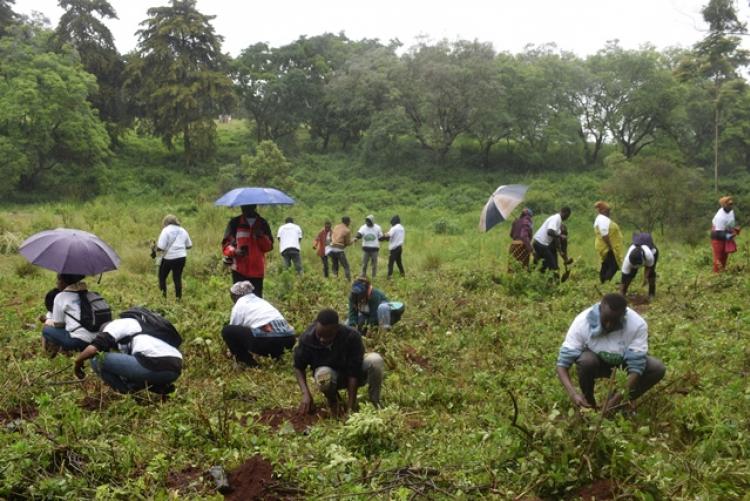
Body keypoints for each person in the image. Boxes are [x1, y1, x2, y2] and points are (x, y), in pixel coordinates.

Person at [556, 293, 665, 413]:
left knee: (656, 368)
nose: (609, 325)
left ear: (624, 315)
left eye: (614, 321)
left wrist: (615, 401)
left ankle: (619, 404)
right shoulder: (582, 322)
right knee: (586, 360)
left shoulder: (637, 325)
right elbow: (562, 364)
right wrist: (573, 394)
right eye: (605, 319)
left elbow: (636, 368)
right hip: (596, 364)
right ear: (600, 309)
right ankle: (588, 403)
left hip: (624, 365)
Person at [294, 308, 385, 416]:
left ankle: (374, 403)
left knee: (375, 360)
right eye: (320, 335)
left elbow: (354, 372)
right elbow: (298, 367)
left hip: (354, 373)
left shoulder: (351, 336)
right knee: (323, 375)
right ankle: (334, 401)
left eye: (327, 336)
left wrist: (351, 408)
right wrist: (306, 394)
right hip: (330, 377)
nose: (322, 339)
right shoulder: (307, 338)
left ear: (336, 329)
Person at [74, 317, 182, 397]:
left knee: (97, 359)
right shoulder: (137, 329)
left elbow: (93, 349)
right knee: (127, 374)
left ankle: (128, 395)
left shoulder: (115, 326)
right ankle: (159, 386)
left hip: (153, 363)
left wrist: (78, 362)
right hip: (175, 368)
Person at [221, 281, 295, 368]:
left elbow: (234, 331)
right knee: (267, 329)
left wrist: (232, 351)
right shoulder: (261, 301)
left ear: (236, 296)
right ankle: (278, 357)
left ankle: (248, 363)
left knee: (227, 331)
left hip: (270, 342)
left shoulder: (240, 304)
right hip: (290, 339)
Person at [222, 204, 273, 297]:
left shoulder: (262, 223)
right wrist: (235, 251)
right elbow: (226, 245)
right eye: (243, 206)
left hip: (257, 270)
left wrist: (260, 236)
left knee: (256, 299)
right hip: (239, 269)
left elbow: (269, 247)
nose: (244, 209)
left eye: (247, 206)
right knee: (240, 299)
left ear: (254, 206)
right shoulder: (235, 223)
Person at [41, 274, 98, 357]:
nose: (57, 283)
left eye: (58, 280)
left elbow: (58, 325)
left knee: (46, 329)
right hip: (99, 340)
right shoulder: (92, 294)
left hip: (79, 341)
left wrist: (47, 320)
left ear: (63, 282)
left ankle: (48, 355)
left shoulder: (61, 297)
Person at [155, 214, 192, 299]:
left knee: (162, 277)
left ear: (166, 222)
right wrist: (180, 247)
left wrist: (155, 249)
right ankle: (178, 299)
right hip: (181, 257)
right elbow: (189, 245)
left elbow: (161, 247)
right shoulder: (183, 230)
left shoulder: (166, 230)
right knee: (177, 278)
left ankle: (163, 298)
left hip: (169, 258)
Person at [532, 207, 572, 275]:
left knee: (541, 266)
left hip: (539, 243)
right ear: (564, 212)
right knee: (554, 267)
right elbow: (549, 232)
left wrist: (562, 254)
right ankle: (554, 283)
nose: (567, 218)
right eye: (567, 216)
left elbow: (557, 240)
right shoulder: (556, 219)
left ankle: (535, 280)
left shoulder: (558, 221)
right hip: (541, 244)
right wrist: (560, 236)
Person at [593, 201, 624, 283]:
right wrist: (611, 246)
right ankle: (606, 282)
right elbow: (604, 235)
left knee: (606, 264)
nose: (609, 212)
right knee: (614, 265)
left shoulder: (601, 219)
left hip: (604, 246)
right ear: (602, 211)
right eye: (607, 210)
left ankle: (603, 281)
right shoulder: (602, 219)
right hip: (607, 247)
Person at [620, 232, 658, 299]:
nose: (637, 267)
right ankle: (623, 293)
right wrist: (621, 292)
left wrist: (645, 278)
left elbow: (648, 267)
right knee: (630, 275)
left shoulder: (649, 255)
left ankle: (651, 294)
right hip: (636, 259)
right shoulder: (627, 262)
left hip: (652, 253)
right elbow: (624, 278)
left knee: (651, 275)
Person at [711, 196, 740, 273]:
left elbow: (731, 223)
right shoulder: (720, 217)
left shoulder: (731, 211)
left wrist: (734, 229)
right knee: (718, 257)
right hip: (717, 236)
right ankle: (716, 275)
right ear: (724, 205)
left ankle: (722, 273)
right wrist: (728, 236)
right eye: (729, 204)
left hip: (726, 232)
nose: (731, 206)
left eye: (732, 204)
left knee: (724, 256)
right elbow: (718, 232)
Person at [329, 216, 353, 280]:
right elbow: (348, 243)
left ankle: (334, 280)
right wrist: (353, 240)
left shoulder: (336, 227)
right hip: (339, 250)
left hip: (332, 249)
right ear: (347, 222)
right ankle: (348, 281)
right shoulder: (347, 230)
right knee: (346, 267)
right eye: (349, 222)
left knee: (335, 266)